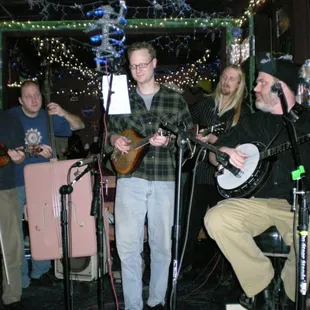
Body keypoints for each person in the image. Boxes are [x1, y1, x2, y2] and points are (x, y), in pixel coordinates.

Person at [204, 54, 304, 310]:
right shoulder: (253, 121)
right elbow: (215, 152)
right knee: (216, 218)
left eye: (261, 82)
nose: (255, 89)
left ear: (279, 87)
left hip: (297, 204)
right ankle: (263, 288)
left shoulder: (306, 122)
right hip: (255, 202)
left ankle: (290, 296)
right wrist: (222, 154)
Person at [107, 42, 193, 310]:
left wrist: (169, 142)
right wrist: (115, 139)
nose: (138, 70)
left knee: (161, 245)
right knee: (128, 246)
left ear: (155, 63)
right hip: (130, 178)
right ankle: (132, 305)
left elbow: (188, 144)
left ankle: (156, 301)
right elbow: (108, 138)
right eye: (133, 66)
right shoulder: (121, 101)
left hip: (164, 178)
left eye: (142, 64)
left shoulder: (175, 99)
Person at [9, 80, 85, 289]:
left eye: (37, 95)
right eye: (28, 96)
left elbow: (79, 125)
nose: (34, 100)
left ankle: (40, 273)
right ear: (20, 100)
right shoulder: (11, 117)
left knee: (42, 228)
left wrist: (63, 112)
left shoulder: (49, 117)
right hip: (15, 181)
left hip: (43, 181)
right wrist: (34, 151)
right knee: (15, 232)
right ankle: (19, 280)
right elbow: (7, 148)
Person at [180, 65, 251, 274]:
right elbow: (186, 125)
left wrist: (215, 139)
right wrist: (195, 136)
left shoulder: (243, 111)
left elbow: (246, 143)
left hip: (228, 177)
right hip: (200, 171)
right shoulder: (205, 103)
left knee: (226, 225)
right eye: (225, 77)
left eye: (232, 79)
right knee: (190, 220)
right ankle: (183, 266)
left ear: (239, 84)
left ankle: (226, 272)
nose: (227, 82)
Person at [0, 111, 26, 309]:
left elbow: (20, 155)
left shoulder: (10, 120)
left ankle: (12, 296)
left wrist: (19, 158)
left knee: (11, 246)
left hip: (4, 190)